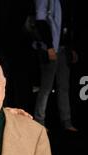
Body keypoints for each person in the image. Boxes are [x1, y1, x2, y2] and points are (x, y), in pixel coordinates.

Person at [33, 0, 78, 131]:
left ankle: (66, 121)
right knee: (46, 87)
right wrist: (49, 47)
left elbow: (68, 23)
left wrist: (71, 48)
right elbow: (40, 21)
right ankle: (39, 122)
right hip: (50, 48)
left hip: (63, 48)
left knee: (63, 86)